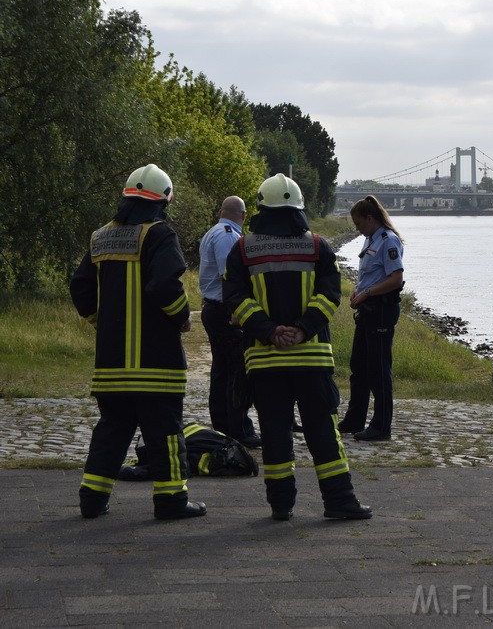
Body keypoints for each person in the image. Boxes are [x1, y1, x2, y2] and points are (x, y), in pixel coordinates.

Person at [222, 173, 371, 521]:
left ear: (260, 207)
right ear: (299, 208)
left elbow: (235, 298)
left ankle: (281, 504)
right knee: (322, 431)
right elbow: (330, 296)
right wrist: (303, 331)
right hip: (311, 357)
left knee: (274, 433)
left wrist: (269, 331)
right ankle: (339, 501)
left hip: (264, 359)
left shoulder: (242, 249)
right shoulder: (318, 246)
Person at [70, 164, 206, 520]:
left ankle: (92, 500)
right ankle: (172, 502)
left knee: (111, 433)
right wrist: (181, 317)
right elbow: (164, 285)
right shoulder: (160, 234)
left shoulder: (99, 237)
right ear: (163, 201)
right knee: (165, 435)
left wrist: (101, 322)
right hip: (156, 364)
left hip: (112, 365)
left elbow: (81, 287)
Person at [338, 195, 404, 442]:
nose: (357, 229)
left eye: (358, 224)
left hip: (381, 311)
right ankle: (355, 419)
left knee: (379, 370)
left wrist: (366, 292)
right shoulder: (370, 239)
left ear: (370, 218)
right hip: (367, 310)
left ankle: (381, 426)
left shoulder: (388, 241)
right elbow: (371, 273)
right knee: (359, 367)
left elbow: (395, 278)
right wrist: (358, 288)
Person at [198, 196, 260, 448]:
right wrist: (237, 310)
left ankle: (223, 424)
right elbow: (229, 275)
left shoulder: (213, 232)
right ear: (243, 215)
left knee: (222, 370)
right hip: (226, 311)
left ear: (222, 211)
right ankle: (239, 429)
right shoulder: (227, 236)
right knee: (238, 371)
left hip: (215, 308)